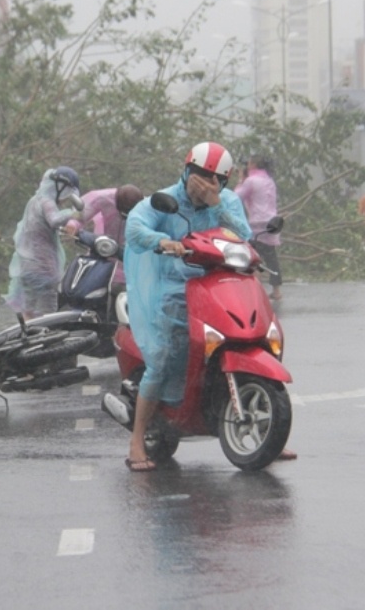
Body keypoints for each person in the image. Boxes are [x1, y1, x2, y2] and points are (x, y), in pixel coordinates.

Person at [123, 142, 296, 472]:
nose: (205, 183)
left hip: (220, 284)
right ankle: (137, 438)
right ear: (187, 170)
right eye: (200, 175)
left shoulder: (225, 201)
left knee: (262, 339)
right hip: (174, 289)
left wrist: (216, 204)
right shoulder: (165, 200)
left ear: (225, 181)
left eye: (214, 179)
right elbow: (135, 226)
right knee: (161, 360)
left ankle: (271, 430)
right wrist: (162, 242)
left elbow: (243, 235)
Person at [5, 166, 83, 319]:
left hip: (26, 263)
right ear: (60, 188)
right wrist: (72, 214)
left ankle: (28, 335)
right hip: (43, 265)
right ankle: (46, 338)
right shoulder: (48, 203)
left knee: (28, 308)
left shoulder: (34, 200)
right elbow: (54, 221)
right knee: (48, 311)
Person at [234, 156, 283, 301]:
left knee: (253, 257)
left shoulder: (251, 181)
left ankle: (256, 289)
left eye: (248, 163)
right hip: (272, 223)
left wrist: (241, 180)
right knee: (271, 257)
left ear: (254, 165)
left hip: (257, 224)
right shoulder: (269, 180)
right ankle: (276, 290)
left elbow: (237, 197)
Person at [63, 184, 143, 245]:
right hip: (102, 245)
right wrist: (72, 225)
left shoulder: (146, 209)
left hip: (127, 252)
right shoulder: (104, 199)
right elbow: (82, 215)